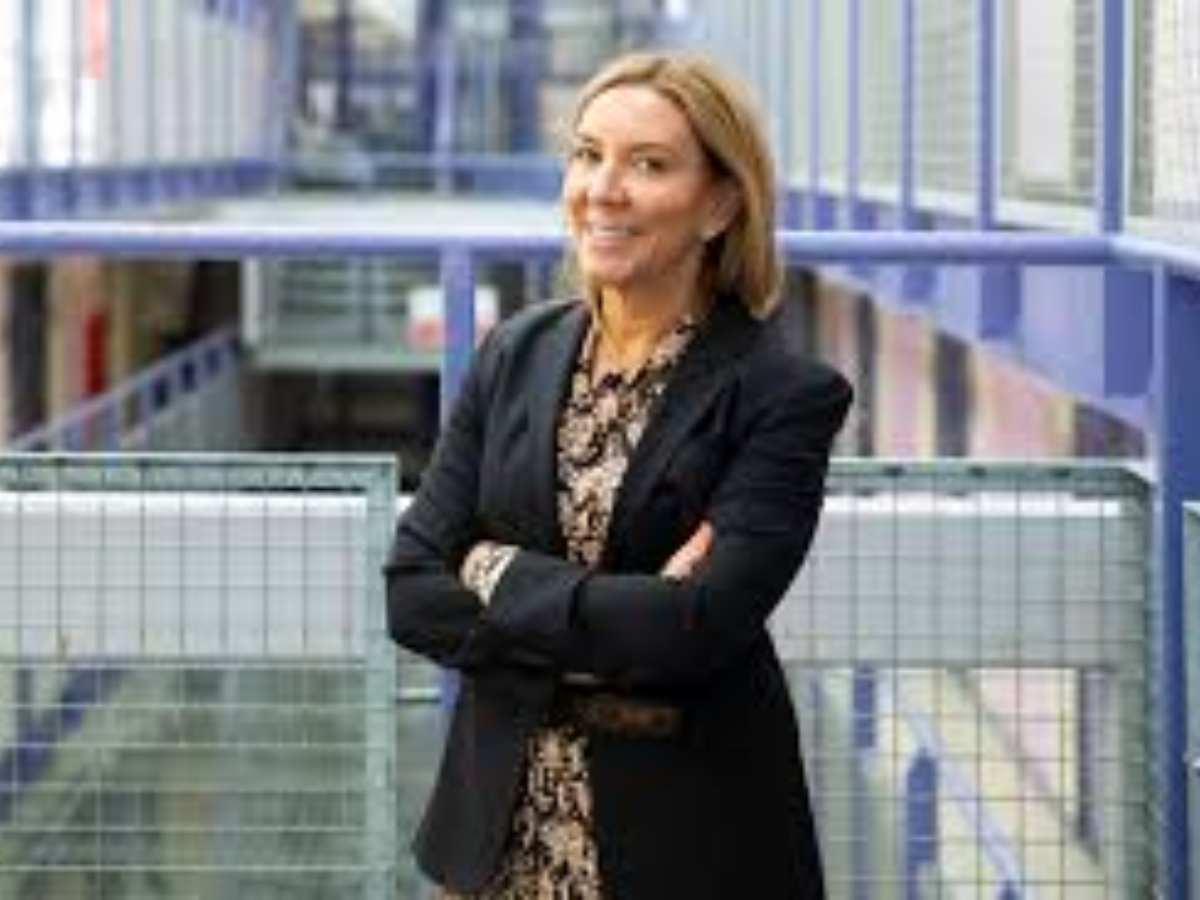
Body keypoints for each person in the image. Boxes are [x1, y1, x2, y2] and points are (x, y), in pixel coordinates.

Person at [386, 49, 853, 899]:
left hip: (687, 842)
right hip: (499, 835)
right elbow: (412, 589)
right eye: (588, 154)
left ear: (719, 205)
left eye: (649, 165)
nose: (603, 189)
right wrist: (620, 622)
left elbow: (698, 628)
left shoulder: (783, 396)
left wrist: (495, 571)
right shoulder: (514, 352)